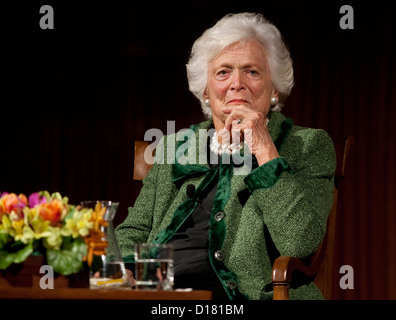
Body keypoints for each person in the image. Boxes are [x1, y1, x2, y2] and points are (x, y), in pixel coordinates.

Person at [115, 12, 336, 300]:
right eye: (223, 72)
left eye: (252, 71)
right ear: (206, 92)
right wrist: (125, 269)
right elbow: (132, 231)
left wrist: (264, 147)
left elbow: (300, 242)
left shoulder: (307, 145)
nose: (236, 83)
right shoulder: (174, 147)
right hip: (163, 293)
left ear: (274, 89)